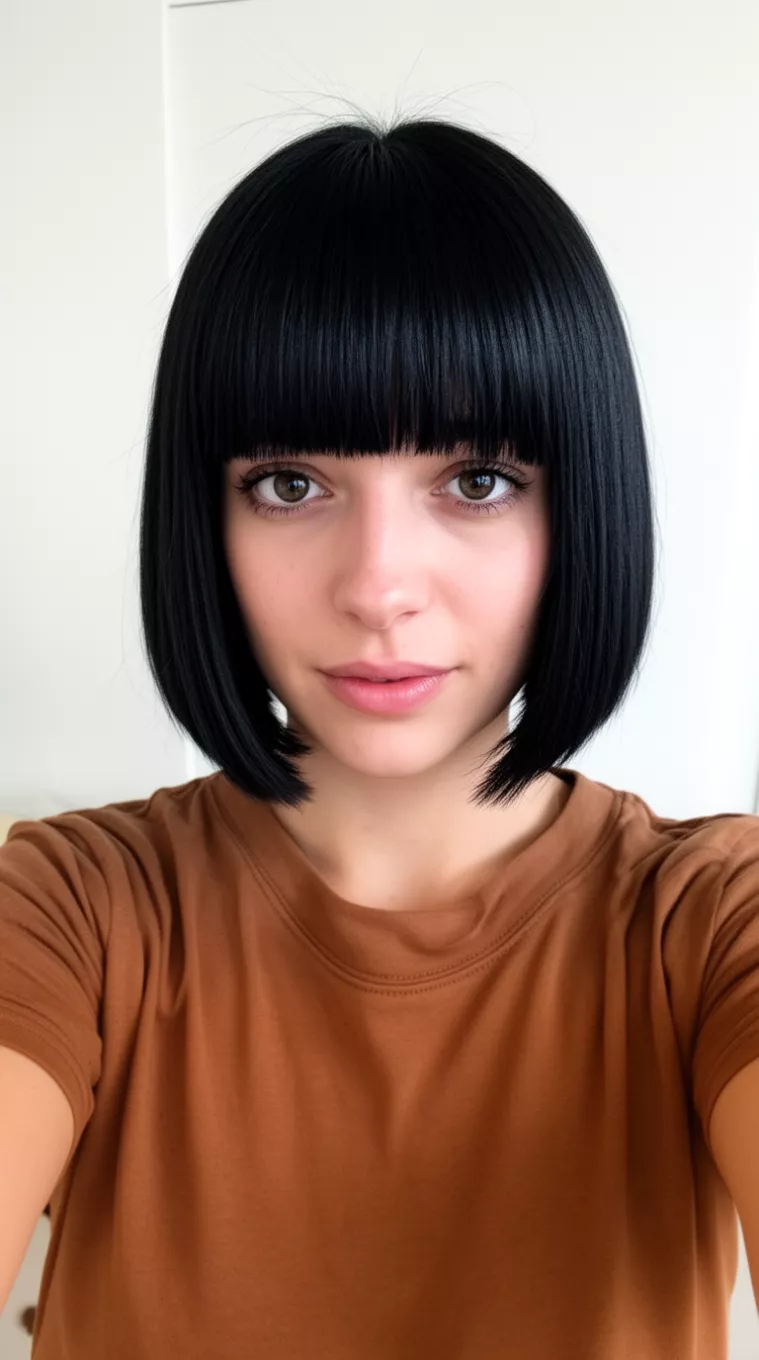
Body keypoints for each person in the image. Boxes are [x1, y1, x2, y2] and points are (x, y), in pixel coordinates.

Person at [1, 110, 758, 1360]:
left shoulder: (705, 926)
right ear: (206, 516)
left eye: (477, 481)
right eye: (290, 484)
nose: (378, 584)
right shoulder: (76, 913)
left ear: (583, 506)